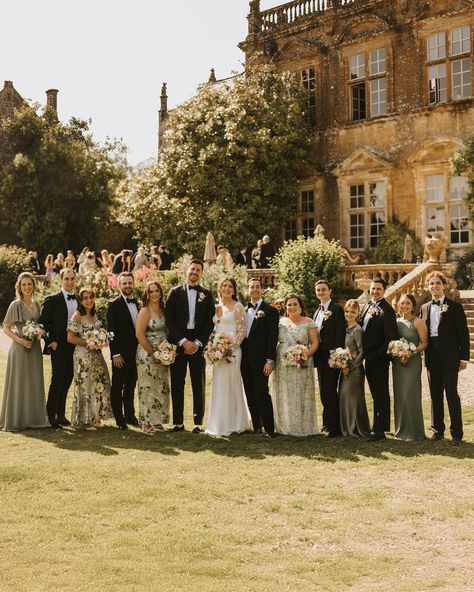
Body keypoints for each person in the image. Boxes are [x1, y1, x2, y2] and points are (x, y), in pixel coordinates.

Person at [420, 271, 470, 446]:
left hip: (450, 356)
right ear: (428, 287)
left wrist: (464, 358)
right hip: (432, 356)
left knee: (451, 394)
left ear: (443, 285)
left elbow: (463, 334)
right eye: (431, 284)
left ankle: (457, 433)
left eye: (437, 283)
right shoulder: (424, 308)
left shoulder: (455, 307)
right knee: (435, 394)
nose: (434, 286)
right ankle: (437, 430)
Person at [165, 259, 214, 432]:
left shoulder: (207, 294)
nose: (194, 272)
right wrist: (183, 341)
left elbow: (210, 322)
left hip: (198, 343)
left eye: (198, 270)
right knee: (177, 383)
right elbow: (169, 319)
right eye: (192, 269)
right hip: (179, 342)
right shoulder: (174, 292)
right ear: (187, 270)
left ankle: (198, 423)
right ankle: (178, 422)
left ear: (201, 273)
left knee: (198, 383)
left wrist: (198, 342)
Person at [0, 272, 49, 431]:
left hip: (34, 349)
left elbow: (40, 326)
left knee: (34, 382)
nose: (27, 287)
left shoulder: (37, 304)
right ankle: (16, 420)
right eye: (24, 284)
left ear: (34, 285)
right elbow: (6, 328)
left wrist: (40, 333)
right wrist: (20, 340)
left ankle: (34, 419)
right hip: (20, 348)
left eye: (29, 284)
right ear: (19, 287)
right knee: (19, 382)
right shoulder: (16, 305)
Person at [205, 277, 250, 437]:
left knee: (232, 383)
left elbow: (242, 330)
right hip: (218, 352)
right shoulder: (217, 307)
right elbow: (214, 330)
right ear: (220, 288)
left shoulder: (238, 307)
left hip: (233, 351)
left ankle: (236, 423)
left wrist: (230, 348)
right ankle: (218, 422)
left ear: (234, 289)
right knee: (219, 384)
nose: (227, 289)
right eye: (224, 286)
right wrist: (212, 347)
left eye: (230, 286)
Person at [271, 293, 319, 436]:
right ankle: (283, 426)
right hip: (282, 363)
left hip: (302, 362)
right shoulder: (280, 321)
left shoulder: (308, 321)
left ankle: (301, 427)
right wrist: (273, 306)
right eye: (289, 304)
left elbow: (315, 343)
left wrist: (305, 356)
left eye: (295, 304)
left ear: (300, 306)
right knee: (283, 392)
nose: (292, 307)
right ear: (285, 307)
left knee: (300, 392)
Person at [67, 288, 112, 430]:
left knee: (100, 383)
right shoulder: (77, 316)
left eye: (91, 297)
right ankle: (84, 421)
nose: (89, 300)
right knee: (85, 386)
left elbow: (97, 332)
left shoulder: (94, 314)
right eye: (85, 298)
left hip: (96, 355)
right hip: (83, 357)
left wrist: (102, 337)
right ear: (80, 301)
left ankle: (95, 417)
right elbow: (70, 337)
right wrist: (89, 343)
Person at [360, 278, 398, 440]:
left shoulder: (387, 310)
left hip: (379, 358)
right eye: (373, 288)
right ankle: (377, 425)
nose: (375, 291)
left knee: (381, 393)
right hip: (367, 357)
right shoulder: (367, 306)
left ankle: (380, 429)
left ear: (384, 290)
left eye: (378, 289)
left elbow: (391, 337)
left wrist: (376, 355)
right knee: (375, 392)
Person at [241, 277, 279, 438]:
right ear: (248, 290)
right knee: (249, 393)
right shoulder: (242, 310)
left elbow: (272, 337)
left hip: (261, 360)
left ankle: (270, 428)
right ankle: (257, 425)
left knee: (262, 393)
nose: (255, 289)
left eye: (257, 287)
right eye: (252, 287)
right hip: (244, 360)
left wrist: (270, 360)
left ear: (261, 290)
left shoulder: (270, 311)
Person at [40, 268, 78, 428]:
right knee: (57, 380)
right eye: (67, 279)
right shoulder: (52, 300)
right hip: (59, 345)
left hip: (74, 345)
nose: (69, 282)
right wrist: (51, 341)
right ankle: (51, 416)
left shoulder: (78, 299)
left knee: (68, 379)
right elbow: (43, 323)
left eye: (72, 279)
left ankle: (61, 415)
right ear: (61, 280)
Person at [135, 281, 171, 433]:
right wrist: (153, 352)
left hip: (163, 354)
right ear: (147, 294)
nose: (155, 294)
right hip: (147, 353)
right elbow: (139, 334)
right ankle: (146, 422)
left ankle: (157, 421)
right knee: (147, 387)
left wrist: (167, 350)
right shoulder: (145, 311)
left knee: (161, 387)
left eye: (157, 291)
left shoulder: (164, 309)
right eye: (151, 292)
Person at [392, 294, 427, 441]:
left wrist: (410, 353)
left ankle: (415, 431)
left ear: (413, 306)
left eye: (407, 303)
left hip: (412, 362)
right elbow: (391, 341)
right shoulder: (396, 322)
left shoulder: (418, 322)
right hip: (398, 363)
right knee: (400, 395)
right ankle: (401, 430)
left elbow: (424, 343)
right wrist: (397, 351)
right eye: (402, 303)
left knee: (410, 395)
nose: (404, 306)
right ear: (398, 305)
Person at [313, 280, 346, 437]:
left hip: (331, 356)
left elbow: (340, 333)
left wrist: (337, 356)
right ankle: (326, 424)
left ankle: (335, 427)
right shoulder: (317, 311)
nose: (321, 292)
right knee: (323, 392)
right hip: (319, 357)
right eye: (318, 290)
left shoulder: (337, 309)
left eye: (323, 290)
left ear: (330, 291)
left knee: (331, 391)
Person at [107, 272, 140, 429]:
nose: (127, 285)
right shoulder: (113, 305)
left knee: (131, 385)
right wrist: (115, 354)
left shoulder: (139, 304)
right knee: (118, 385)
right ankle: (119, 420)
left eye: (129, 283)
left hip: (137, 353)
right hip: (121, 353)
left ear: (133, 284)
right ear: (119, 285)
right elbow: (111, 332)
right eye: (124, 283)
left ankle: (130, 415)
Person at [339, 299, 370, 438]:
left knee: (354, 399)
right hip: (344, 368)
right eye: (347, 311)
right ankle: (345, 427)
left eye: (353, 312)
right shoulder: (343, 328)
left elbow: (362, 352)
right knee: (344, 397)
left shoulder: (357, 330)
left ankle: (356, 428)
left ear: (358, 313)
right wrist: (341, 364)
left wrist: (350, 367)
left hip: (355, 370)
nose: (349, 314)